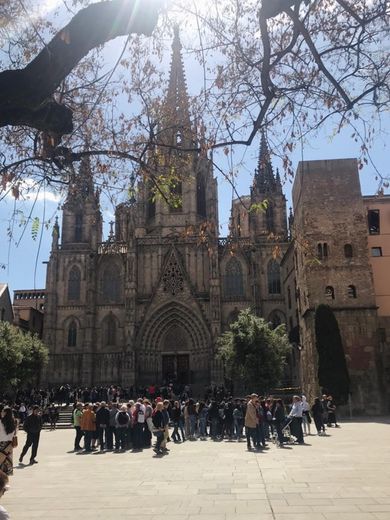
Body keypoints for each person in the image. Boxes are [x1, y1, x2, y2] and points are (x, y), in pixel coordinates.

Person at [0, 407, 18, 476]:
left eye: (3, 411)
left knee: (1, 461)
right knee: (8, 461)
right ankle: (6, 481)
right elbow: (14, 434)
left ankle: (1, 482)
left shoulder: (1, 422)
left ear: (5, 413)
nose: (1, 412)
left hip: (1, 444)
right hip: (9, 444)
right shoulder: (14, 422)